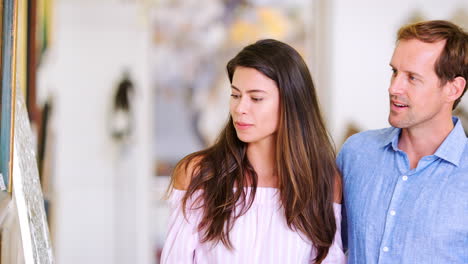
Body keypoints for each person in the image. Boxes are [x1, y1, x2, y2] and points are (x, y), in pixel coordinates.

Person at [161, 39, 346, 263]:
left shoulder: (324, 184)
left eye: (256, 98)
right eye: (236, 95)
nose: (240, 109)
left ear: (292, 103)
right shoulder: (197, 175)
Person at [337, 20, 468, 263]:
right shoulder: (355, 153)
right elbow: (326, 247)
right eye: (394, 71)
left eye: (412, 78)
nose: (394, 87)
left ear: (453, 89)